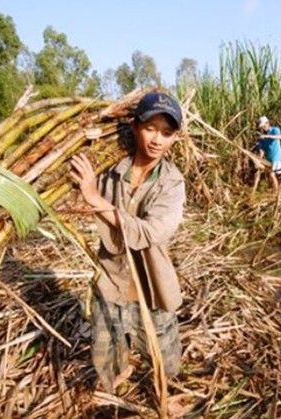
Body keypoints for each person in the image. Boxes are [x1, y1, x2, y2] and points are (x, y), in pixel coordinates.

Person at [70, 91, 185, 393]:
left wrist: (97, 200)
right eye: (150, 128)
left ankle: (163, 392)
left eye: (167, 133)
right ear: (135, 127)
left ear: (175, 138)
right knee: (106, 353)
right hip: (111, 280)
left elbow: (150, 233)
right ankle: (115, 385)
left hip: (152, 286)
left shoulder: (171, 182)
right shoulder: (109, 170)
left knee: (165, 359)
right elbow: (78, 190)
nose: (157, 140)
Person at [253, 116, 281, 193]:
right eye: (262, 127)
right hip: (269, 159)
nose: (263, 128)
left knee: (272, 175)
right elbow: (262, 151)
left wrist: (266, 136)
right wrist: (258, 161)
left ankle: (276, 193)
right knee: (268, 174)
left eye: (264, 126)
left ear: (267, 123)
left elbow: (279, 137)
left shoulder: (275, 130)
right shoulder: (263, 138)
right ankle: (274, 190)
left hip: (276, 157)